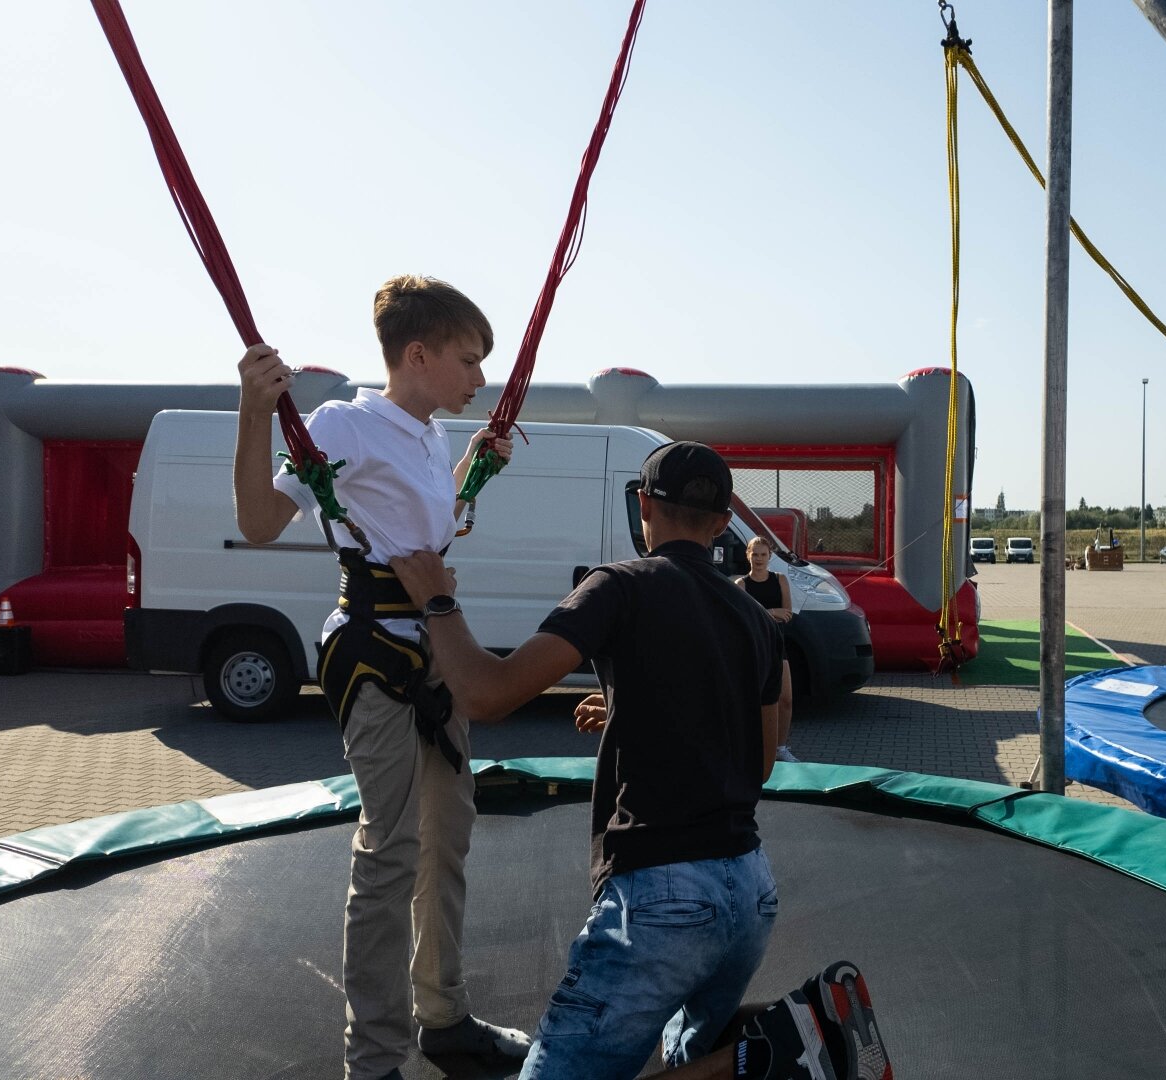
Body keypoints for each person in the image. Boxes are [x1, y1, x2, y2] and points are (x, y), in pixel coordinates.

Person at [387, 441, 892, 1080]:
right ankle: (790, 1037)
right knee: (684, 1049)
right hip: (749, 891)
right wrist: (638, 711)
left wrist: (437, 600)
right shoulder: (758, 620)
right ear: (722, 524)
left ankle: (772, 1052)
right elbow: (759, 761)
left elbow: (487, 695)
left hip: (662, 896)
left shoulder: (619, 586)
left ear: (645, 506)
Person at [231, 275, 529, 1080]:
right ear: (418, 355)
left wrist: (470, 467)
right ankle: (372, 1061)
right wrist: (255, 412)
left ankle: (444, 1016)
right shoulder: (342, 425)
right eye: (469, 360)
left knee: (447, 839)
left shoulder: (429, 435)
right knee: (391, 852)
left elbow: (415, 523)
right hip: (373, 652)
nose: (480, 378)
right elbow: (259, 522)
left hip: (435, 645)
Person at [739, 537, 800, 763]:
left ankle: (780, 748)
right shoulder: (741, 585)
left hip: (776, 644)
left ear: (770, 557)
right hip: (753, 648)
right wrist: (772, 612)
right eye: (755, 554)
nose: (759, 559)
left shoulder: (780, 579)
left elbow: (787, 613)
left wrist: (765, 613)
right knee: (753, 701)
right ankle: (750, 748)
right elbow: (744, 617)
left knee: (786, 699)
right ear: (748, 555)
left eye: (763, 555)